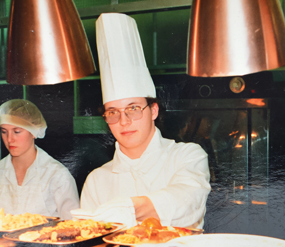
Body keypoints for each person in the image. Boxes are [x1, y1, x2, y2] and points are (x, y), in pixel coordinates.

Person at [71, 13, 211, 228]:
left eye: (133, 108)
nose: (124, 121)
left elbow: (188, 200)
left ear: (153, 110)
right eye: (113, 112)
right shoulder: (97, 181)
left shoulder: (186, 156)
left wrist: (131, 207)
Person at [0, 99, 79, 219]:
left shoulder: (57, 175)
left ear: (34, 132)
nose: (9, 139)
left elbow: (73, 226)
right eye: (4, 132)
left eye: (17, 131)